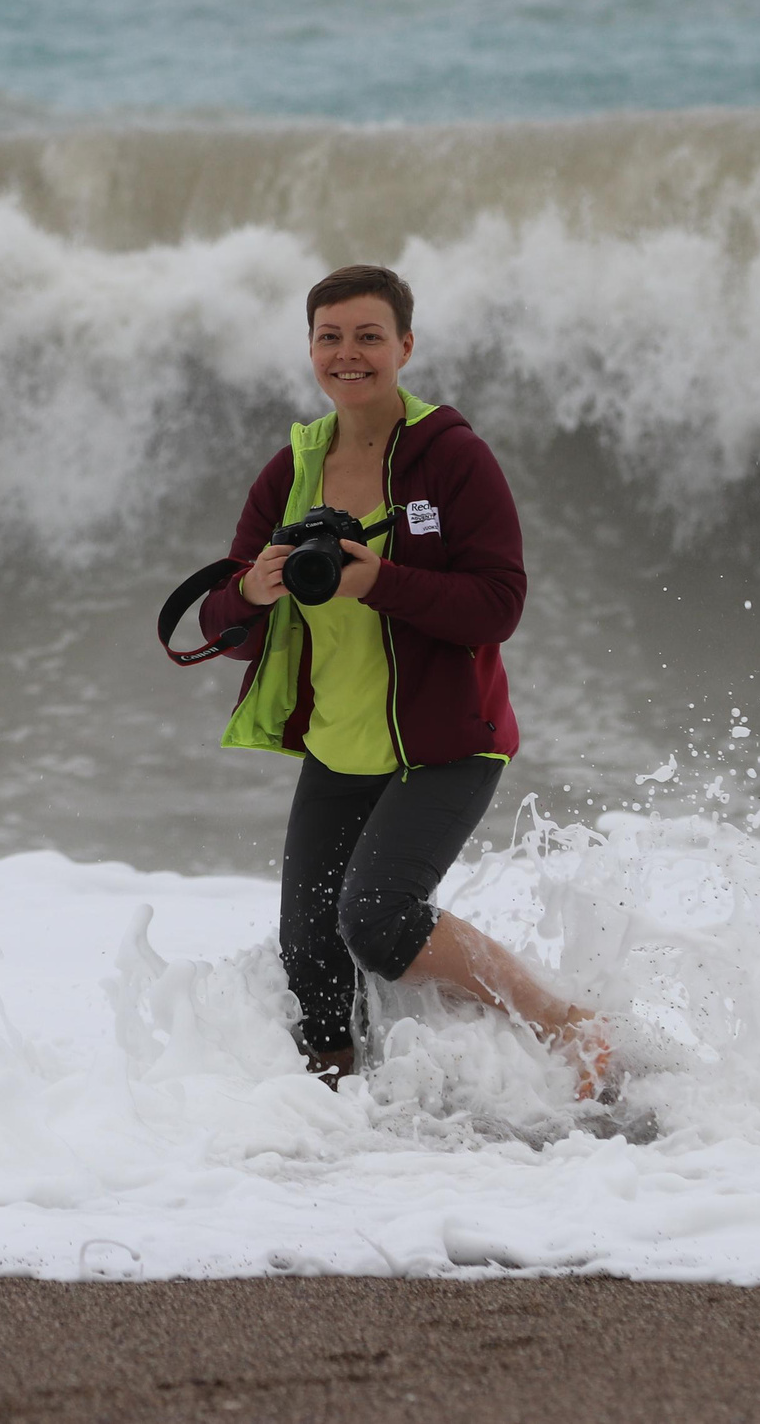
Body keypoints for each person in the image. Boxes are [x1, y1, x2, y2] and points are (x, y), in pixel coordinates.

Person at [198, 264, 612, 1099]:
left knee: (378, 918)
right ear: (311, 348)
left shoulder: (452, 458)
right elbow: (222, 628)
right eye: (329, 336)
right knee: (311, 961)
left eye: (368, 336)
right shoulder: (291, 470)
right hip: (340, 746)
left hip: (449, 744)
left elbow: (498, 604)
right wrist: (252, 589)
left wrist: (377, 579)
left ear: (405, 346)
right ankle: (342, 1124)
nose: (348, 354)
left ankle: (564, 1020)